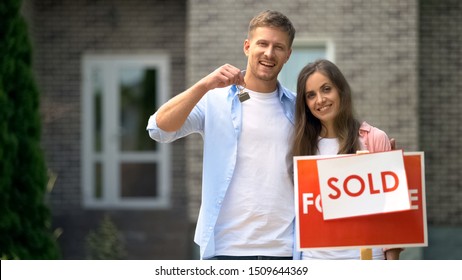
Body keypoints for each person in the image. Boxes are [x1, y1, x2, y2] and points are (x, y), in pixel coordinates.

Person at [147, 10, 296, 260]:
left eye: (278, 47)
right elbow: (159, 129)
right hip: (226, 250)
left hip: (285, 250)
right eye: (262, 43)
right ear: (247, 46)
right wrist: (204, 85)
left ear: (288, 55)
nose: (269, 53)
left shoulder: (298, 107)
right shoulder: (214, 100)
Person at [292, 59, 402, 260]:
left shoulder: (373, 139)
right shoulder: (301, 145)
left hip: (366, 258)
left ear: (341, 90)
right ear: (305, 103)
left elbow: (392, 212)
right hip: (315, 259)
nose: (320, 99)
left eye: (326, 89)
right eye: (311, 95)